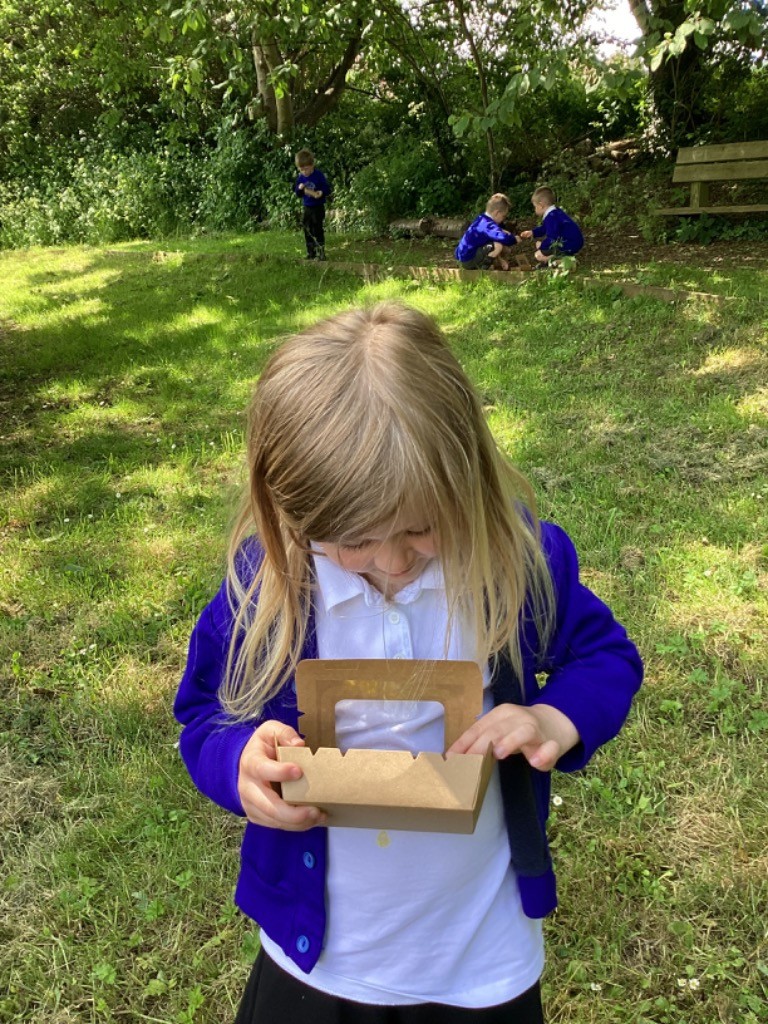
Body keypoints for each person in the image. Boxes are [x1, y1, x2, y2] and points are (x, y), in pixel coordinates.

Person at [174, 301, 643, 1024]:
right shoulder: (266, 588)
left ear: (468, 480)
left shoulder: (515, 564)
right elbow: (203, 712)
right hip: (320, 960)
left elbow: (605, 654)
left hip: (480, 961)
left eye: (422, 528)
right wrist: (238, 764)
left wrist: (553, 717)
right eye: (354, 541)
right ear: (290, 513)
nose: (392, 561)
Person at [519, 187, 583, 266]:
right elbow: (544, 228)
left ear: (541, 205)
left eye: (535, 206)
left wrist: (542, 246)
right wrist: (533, 232)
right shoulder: (555, 212)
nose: (535, 209)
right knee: (543, 249)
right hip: (573, 242)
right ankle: (559, 260)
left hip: (569, 244)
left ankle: (565, 261)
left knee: (538, 255)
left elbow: (552, 238)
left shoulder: (551, 217)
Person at [455, 193, 521, 270]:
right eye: (503, 216)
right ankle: (483, 269)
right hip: (467, 260)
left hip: (462, 258)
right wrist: (514, 239)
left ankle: (493, 263)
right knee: (498, 245)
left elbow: (492, 239)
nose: (503, 219)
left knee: (497, 244)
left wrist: (501, 260)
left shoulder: (482, 218)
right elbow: (504, 238)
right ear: (497, 213)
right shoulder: (488, 225)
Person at [293, 148, 330, 261]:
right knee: (307, 229)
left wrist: (321, 192)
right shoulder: (301, 178)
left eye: (307, 169)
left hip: (318, 207)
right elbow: (298, 193)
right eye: (301, 169)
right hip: (307, 207)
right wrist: (299, 189)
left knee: (317, 229)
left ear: (312, 165)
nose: (304, 172)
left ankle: (321, 252)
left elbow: (327, 188)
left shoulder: (318, 175)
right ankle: (311, 252)